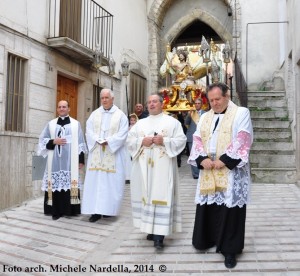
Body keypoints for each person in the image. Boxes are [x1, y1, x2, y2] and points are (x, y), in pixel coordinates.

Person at [187, 82, 253, 269]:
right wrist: (201, 159)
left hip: (230, 168)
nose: (214, 103)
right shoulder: (206, 117)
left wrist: (224, 159)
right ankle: (208, 239)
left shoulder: (241, 113)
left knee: (230, 208)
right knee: (210, 204)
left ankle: (229, 250)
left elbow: (243, 137)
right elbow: (197, 139)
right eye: (211, 100)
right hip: (209, 167)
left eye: (218, 99)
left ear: (227, 96)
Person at [127, 93, 187, 249]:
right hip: (143, 169)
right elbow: (129, 141)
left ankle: (159, 236)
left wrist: (164, 141)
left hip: (163, 168)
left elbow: (181, 141)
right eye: (149, 102)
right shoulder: (140, 124)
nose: (151, 104)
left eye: (154, 102)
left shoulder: (172, 122)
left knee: (161, 196)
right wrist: (142, 141)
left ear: (162, 104)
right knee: (146, 196)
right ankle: (150, 230)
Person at [81, 88, 128, 222]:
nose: (104, 100)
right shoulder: (94, 114)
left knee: (110, 183)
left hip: (112, 153)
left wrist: (110, 141)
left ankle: (108, 210)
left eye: (107, 98)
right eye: (102, 98)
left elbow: (123, 133)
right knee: (95, 183)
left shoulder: (120, 115)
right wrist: (97, 139)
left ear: (112, 99)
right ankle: (95, 211)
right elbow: (88, 131)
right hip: (97, 153)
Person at [37, 100, 87, 220]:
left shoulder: (76, 124)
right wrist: (54, 141)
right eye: (59, 107)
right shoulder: (51, 124)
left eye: (64, 107)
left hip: (70, 161)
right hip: (54, 161)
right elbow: (42, 140)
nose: (62, 109)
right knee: (54, 183)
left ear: (69, 108)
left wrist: (81, 160)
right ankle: (55, 211)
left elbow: (80, 142)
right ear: (57, 109)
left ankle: (69, 210)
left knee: (70, 183)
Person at [185, 98, 206, 179]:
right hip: (192, 137)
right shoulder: (191, 113)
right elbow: (186, 123)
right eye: (196, 103)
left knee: (202, 154)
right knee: (193, 155)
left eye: (198, 103)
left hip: (202, 137)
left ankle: (202, 171)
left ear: (201, 104)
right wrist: (188, 115)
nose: (197, 105)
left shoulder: (205, 113)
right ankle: (195, 174)